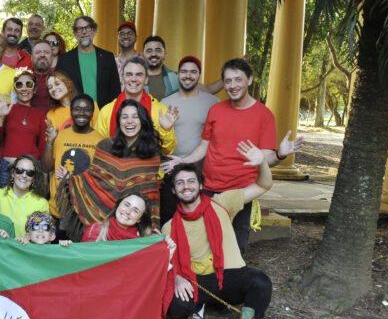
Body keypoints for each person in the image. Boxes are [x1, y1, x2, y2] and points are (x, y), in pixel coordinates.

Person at [161, 58, 304, 254]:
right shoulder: (216, 109)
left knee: (234, 248)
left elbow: (265, 160)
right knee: (203, 246)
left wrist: (280, 154)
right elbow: (203, 147)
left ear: (250, 80)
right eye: (228, 81)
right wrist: (182, 161)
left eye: (238, 80)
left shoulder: (264, 115)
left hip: (241, 193)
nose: (233, 85)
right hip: (208, 189)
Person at [164, 153, 274, 319]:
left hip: (230, 275)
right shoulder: (169, 227)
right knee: (174, 305)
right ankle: (200, 304)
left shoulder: (223, 202)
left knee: (260, 282)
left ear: (200, 185)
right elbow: (168, 262)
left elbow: (263, 186)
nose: (185, 186)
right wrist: (177, 277)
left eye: (190, 181)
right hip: (199, 282)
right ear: (173, 189)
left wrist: (262, 163)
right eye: (180, 183)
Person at [59, 99, 163, 240]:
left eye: (135, 116)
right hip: (102, 226)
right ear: (119, 122)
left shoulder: (152, 152)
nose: (129, 121)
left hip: (132, 228)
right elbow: (92, 178)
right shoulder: (105, 146)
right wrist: (71, 179)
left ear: (143, 121)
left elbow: (150, 193)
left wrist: (153, 226)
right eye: (124, 117)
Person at [159, 56, 219, 222]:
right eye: (184, 71)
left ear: (199, 75)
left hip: (201, 169)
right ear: (177, 75)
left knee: (200, 217)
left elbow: (216, 139)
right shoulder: (165, 103)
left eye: (193, 72)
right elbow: (160, 138)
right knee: (169, 216)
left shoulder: (212, 102)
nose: (188, 75)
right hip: (171, 167)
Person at [96, 57, 178, 156]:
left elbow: (168, 151)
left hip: (149, 169)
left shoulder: (159, 110)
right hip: (115, 168)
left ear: (146, 79)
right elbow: (98, 149)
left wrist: (165, 131)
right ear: (122, 78)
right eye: (129, 75)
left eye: (139, 75)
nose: (133, 79)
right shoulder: (107, 111)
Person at [42, 94, 104, 219]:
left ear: (92, 113)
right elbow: (46, 168)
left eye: (87, 109)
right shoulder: (60, 136)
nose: (82, 113)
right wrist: (50, 141)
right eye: (77, 109)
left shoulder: (100, 141)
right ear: (71, 111)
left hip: (85, 211)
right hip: (58, 209)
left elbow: (100, 180)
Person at [0, 70, 50, 186]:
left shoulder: (40, 115)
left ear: (34, 90)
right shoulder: (6, 109)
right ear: (16, 90)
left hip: (29, 170)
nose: (24, 88)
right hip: (7, 168)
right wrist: (1, 117)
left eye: (28, 84)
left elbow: (41, 147)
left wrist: (42, 174)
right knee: (4, 203)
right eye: (19, 85)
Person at [55, 16, 121, 108]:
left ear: (94, 31)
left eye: (88, 28)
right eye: (79, 29)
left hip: (103, 115)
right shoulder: (64, 60)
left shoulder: (107, 57)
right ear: (75, 33)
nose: (84, 31)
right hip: (74, 115)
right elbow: (58, 89)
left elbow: (115, 89)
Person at [142, 35, 223, 100]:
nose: (153, 54)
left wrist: (228, 77)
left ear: (165, 55)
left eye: (158, 50)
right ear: (143, 55)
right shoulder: (135, 78)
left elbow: (207, 89)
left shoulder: (176, 77)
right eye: (149, 51)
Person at [0, 154, 49, 237]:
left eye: (30, 173)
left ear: (34, 178)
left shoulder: (42, 203)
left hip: (27, 249)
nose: (24, 175)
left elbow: (45, 238)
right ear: (12, 173)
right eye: (19, 170)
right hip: (0, 248)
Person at [81, 192, 155, 242]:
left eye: (135, 210)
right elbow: (82, 258)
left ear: (140, 219)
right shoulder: (95, 230)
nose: (128, 212)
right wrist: (69, 248)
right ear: (118, 205)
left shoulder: (146, 240)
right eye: (126, 205)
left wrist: (166, 243)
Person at [30, 41, 55, 112]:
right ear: (31, 58)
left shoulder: (61, 81)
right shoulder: (23, 81)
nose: (42, 55)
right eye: (38, 52)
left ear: (52, 57)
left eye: (46, 52)